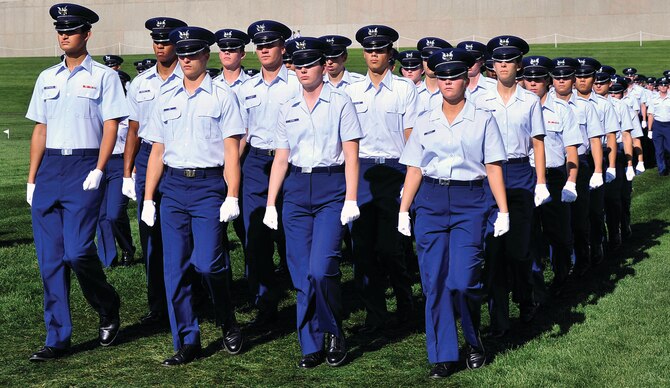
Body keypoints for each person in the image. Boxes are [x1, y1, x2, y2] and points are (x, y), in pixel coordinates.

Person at [398, 47, 509, 378]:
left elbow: (493, 167)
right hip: (431, 200)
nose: (447, 83)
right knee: (434, 282)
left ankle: (474, 340)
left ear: (466, 79)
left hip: (470, 201)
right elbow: (415, 167)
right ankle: (443, 355)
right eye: (441, 77)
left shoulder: (483, 118)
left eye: (454, 77)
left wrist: (502, 211)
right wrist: (404, 210)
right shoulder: (425, 118)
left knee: (463, 281)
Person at [25, 3, 128, 361]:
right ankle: (58, 338)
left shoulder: (104, 77)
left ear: (87, 34)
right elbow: (40, 128)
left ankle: (107, 302)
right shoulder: (46, 77)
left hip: (84, 165)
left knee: (78, 251)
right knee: (50, 261)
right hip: (51, 168)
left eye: (71, 29)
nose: (64, 34)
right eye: (60, 29)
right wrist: (31, 178)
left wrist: (99, 169)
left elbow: (112, 125)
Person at [141, 26, 245, 366]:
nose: (185, 59)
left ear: (205, 56)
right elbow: (157, 150)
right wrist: (147, 197)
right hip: (172, 188)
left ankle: (226, 317)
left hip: (208, 187)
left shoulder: (222, 97)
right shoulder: (165, 97)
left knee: (208, 262)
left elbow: (231, 151)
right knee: (175, 270)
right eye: (181, 53)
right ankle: (187, 340)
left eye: (192, 53)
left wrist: (232, 194)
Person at [262, 37, 362, 368]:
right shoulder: (287, 106)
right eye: (298, 66)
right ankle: (311, 342)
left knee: (322, 269)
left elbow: (351, 155)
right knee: (301, 275)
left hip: (331, 187)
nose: (304, 71)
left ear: (322, 66)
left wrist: (350, 197)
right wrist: (270, 203)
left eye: (310, 65)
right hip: (295, 189)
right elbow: (280, 158)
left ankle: (334, 331)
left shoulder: (341, 101)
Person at [346, 24, 418, 333]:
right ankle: (375, 313)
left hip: (393, 170)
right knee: (362, 250)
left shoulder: (404, 89)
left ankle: (405, 303)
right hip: (361, 173)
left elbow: (411, 136)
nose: (374, 54)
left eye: (380, 49)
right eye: (369, 49)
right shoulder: (350, 91)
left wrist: (409, 176)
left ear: (390, 54)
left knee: (391, 248)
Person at [479, 36, 548, 338]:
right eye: (498, 60)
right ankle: (498, 317)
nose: (503, 65)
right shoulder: (480, 100)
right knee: (493, 250)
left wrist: (541, 182)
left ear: (518, 65)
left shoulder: (530, 101)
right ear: (492, 66)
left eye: (509, 60)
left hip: (520, 174)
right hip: (488, 174)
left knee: (518, 250)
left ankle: (525, 298)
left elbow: (538, 143)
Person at [122, 16, 187, 326]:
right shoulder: (141, 82)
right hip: (148, 156)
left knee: (182, 230)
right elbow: (133, 130)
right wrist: (127, 171)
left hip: (179, 155)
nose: (161, 45)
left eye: (167, 40)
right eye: (156, 40)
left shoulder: (188, 77)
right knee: (149, 231)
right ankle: (157, 303)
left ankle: (190, 293)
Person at [237, 20, 300, 326]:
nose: (263, 50)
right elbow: (242, 133)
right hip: (257, 164)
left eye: (269, 45)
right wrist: (232, 170)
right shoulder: (246, 88)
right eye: (259, 46)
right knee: (256, 239)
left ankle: (304, 298)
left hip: (292, 165)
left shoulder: (298, 83)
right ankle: (265, 301)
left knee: (293, 235)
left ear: (282, 48)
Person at [522, 56, 581, 300]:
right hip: (527, 176)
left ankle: (562, 276)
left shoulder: (562, 110)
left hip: (555, 176)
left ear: (547, 80)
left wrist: (571, 181)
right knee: (530, 232)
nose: (533, 84)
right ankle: (535, 286)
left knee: (558, 233)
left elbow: (571, 148)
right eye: (529, 79)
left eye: (538, 79)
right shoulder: (518, 108)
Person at [549, 57, 605, 278]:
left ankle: (583, 257)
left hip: (580, 164)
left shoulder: (585, 107)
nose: (561, 81)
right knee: (556, 221)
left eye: (565, 77)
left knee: (580, 216)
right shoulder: (544, 104)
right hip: (554, 166)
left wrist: (599, 170)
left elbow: (594, 139)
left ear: (573, 78)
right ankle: (561, 266)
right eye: (557, 77)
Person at [574, 57, 620, 270]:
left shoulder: (603, 104)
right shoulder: (565, 102)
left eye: (586, 76)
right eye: (579, 76)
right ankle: (579, 253)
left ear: (594, 78)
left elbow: (610, 135)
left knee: (594, 209)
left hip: (595, 161)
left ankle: (597, 243)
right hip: (573, 162)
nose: (582, 80)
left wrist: (609, 167)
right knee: (575, 212)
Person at [96, 70, 136, 267]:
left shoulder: (131, 111)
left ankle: (127, 247)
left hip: (121, 163)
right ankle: (107, 258)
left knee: (114, 213)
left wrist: (133, 168)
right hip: (99, 163)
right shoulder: (99, 107)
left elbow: (136, 139)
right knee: (101, 215)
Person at [416, 37, 451, 113]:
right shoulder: (413, 92)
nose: (429, 63)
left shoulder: (452, 93)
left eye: (434, 59)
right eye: (426, 59)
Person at [647, 76, 670, 176]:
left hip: (668, 125)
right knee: (659, 149)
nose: (663, 87)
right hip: (657, 125)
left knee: (669, 148)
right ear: (658, 87)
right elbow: (651, 114)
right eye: (661, 85)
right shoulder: (654, 98)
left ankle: (668, 165)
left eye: (665, 85)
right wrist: (649, 129)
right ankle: (662, 169)